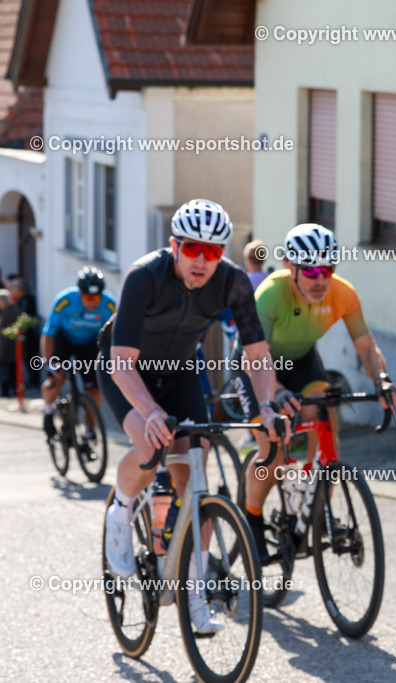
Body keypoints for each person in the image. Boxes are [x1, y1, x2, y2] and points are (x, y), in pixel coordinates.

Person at [99, 198, 287, 634]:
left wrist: (266, 406)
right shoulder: (145, 276)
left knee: (195, 477)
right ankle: (121, 512)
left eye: (213, 251)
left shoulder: (233, 283)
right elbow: (120, 361)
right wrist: (148, 412)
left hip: (182, 372)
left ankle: (195, 596)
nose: (202, 260)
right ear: (174, 246)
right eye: (192, 249)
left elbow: (257, 354)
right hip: (127, 369)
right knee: (150, 444)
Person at [236, 223, 396, 564]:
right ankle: (251, 519)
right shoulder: (270, 294)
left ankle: (317, 505)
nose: (320, 279)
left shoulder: (343, 293)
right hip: (255, 364)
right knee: (274, 449)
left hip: (301, 361)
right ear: (289, 267)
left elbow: (367, 348)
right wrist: (276, 392)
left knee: (324, 415)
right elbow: (255, 358)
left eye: (327, 269)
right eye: (310, 270)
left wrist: (381, 381)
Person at [40, 267, 116, 439]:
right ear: (80, 293)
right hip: (63, 341)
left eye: (96, 297)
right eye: (87, 297)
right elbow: (49, 333)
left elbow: (115, 336)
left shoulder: (109, 304)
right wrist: (50, 363)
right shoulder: (65, 301)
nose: (91, 302)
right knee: (55, 379)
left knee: (94, 390)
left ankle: (89, 430)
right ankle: (48, 411)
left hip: (90, 344)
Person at [6, 276, 40, 388]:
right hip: (24, 336)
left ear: (19, 288)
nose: (11, 291)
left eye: (13, 288)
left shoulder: (27, 299)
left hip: (29, 336)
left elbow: (24, 317)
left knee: (31, 360)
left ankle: (34, 382)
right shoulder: (21, 300)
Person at [0, 289, 18, 396]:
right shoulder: (13, 310)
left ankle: (7, 392)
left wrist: (1, 353)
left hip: (7, 350)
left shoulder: (8, 312)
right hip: (12, 350)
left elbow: (3, 336)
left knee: (6, 372)